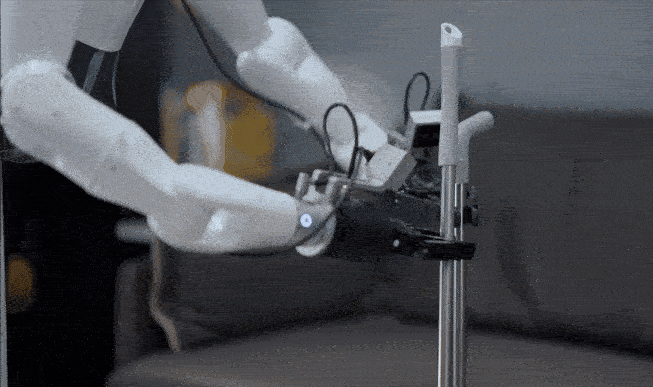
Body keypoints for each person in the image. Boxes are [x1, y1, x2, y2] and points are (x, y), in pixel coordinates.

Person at [1, 0, 396, 255]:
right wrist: (171, 194)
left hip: (74, 154)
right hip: (38, 145)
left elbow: (267, 48)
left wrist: (356, 137)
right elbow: (26, 98)